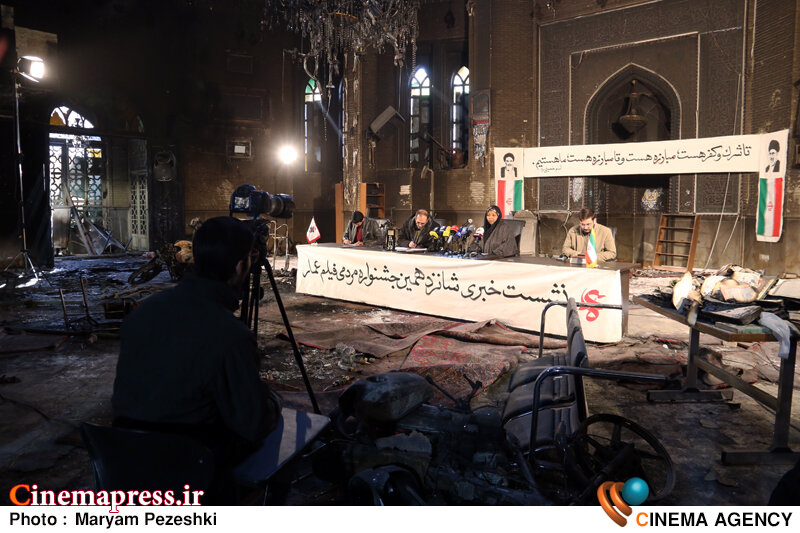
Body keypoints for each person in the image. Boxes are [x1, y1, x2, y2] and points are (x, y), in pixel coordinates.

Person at [112, 216, 282, 485]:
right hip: (189, 467)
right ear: (240, 266)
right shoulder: (231, 335)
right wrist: (273, 401)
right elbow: (252, 423)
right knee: (279, 426)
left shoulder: (143, 312)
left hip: (124, 459)